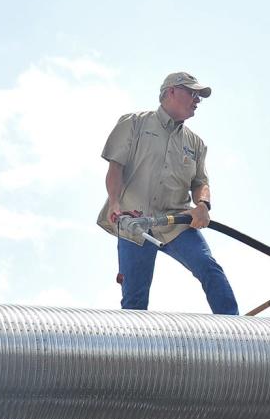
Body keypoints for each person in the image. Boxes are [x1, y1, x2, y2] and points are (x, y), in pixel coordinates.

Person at [96, 72, 239, 315]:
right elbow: (115, 167)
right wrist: (115, 203)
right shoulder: (134, 123)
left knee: (209, 269)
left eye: (199, 96)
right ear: (171, 91)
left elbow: (200, 182)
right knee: (134, 299)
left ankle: (237, 332)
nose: (197, 100)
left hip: (176, 222)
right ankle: (135, 347)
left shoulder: (195, 143)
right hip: (135, 222)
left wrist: (203, 205)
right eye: (192, 93)